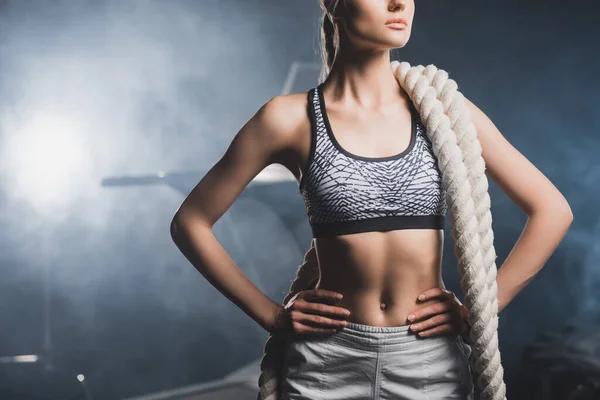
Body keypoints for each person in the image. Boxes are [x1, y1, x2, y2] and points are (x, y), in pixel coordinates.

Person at [169, 1, 574, 399]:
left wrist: (481, 310)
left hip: (428, 364)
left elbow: (551, 210)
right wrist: (271, 314)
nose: (399, 3)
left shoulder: (444, 112)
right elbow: (191, 222)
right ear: (333, 5)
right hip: (325, 362)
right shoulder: (288, 119)